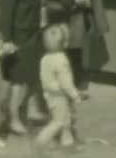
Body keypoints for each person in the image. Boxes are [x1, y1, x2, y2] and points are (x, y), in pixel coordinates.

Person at [0, 0, 46, 135]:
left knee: (31, 72)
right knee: (19, 79)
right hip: (18, 33)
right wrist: (6, 39)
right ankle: (14, 118)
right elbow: (6, 9)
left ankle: (32, 110)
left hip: (30, 28)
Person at [35, 24, 83, 152]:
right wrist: (75, 95)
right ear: (65, 43)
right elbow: (65, 83)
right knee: (59, 121)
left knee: (65, 120)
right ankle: (41, 141)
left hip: (49, 94)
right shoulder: (61, 60)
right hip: (59, 96)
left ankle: (67, 144)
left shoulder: (45, 58)